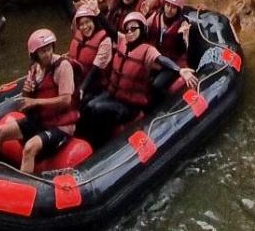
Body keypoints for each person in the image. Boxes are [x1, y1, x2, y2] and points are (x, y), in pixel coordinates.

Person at [78, 12, 199, 144]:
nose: (129, 32)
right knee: (88, 106)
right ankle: (85, 140)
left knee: (97, 109)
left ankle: (98, 144)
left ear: (141, 29)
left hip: (130, 106)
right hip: (114, 95)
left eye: (133, 29)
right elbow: (109, 28)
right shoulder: (122, 41)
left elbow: (162, 60)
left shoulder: (148, 50)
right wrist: (97, 13)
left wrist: (179, 70)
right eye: (127, 29)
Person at [0, 28, 78, 173]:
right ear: (35, 54)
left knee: (29, 148)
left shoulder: (63, 66)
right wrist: (27, 91)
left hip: (60, 126)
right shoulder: (34, 68)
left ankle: (21, 183)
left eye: (49, 49)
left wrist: (36, 102)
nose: (47, 54)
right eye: (42, 51)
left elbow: (66, 100)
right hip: (41, 120)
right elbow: (27, 99)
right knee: (0, 132)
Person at [68, 0, 112, 101]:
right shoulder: (78, 34)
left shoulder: (105, 40)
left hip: (95, 84)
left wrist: (82, 88)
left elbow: (95, 70)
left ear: (94, 21)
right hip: (78, 78)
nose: (84, 27)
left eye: (87, 22)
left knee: (81, 100)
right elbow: (69, 11)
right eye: (81, 24)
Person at [148, 0, 192, 66]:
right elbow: (143, 30)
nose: (169, 9)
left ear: (178, 9)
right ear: (164, 5)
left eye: (173, 7)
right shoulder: (155, 16)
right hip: (155, 57)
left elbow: (184, 49)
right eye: (168, 5)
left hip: (174, 62)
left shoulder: (183, 23)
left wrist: (180, 36)